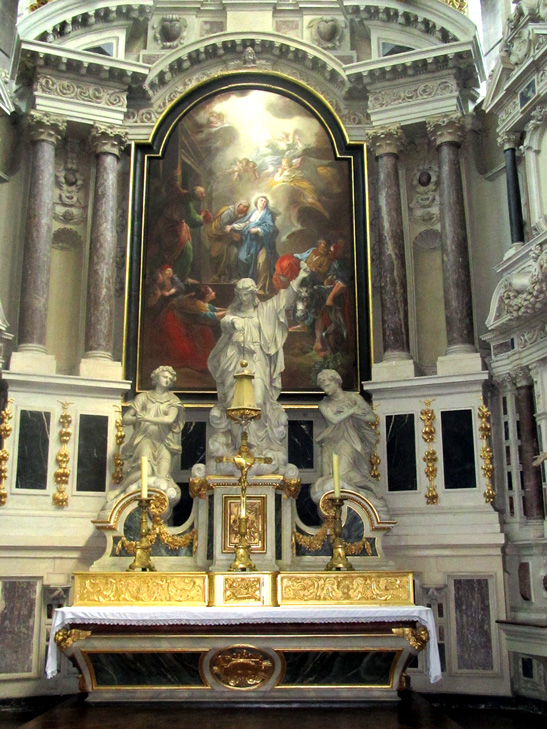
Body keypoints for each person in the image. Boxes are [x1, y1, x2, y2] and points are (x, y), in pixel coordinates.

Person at [207, 263, 310, 473]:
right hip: (235, 360)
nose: (245, 296)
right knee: (232, 402)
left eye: (248, 293)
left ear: (254, 293)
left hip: (258, 361)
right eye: (241, 293)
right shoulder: (232, 314)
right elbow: (225, 323)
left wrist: (300, 277)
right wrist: (232, 324)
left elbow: (284, 299)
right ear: (238, 294)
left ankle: (258, 446)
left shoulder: (265, 310)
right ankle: (237, 448)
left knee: (259, 399)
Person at [108, 366, 185, 500]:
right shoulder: (143, 398)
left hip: (164, 442)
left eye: (170, 379)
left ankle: (157, 514)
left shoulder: (174, 401)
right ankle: (118, 490)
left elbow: (169, 419)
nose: (167, 380)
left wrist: (146, 418)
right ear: (156, 378)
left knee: (162, 477)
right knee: (145, 471)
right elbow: (125, 419)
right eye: (164, 377)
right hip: (145, 439)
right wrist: (137, 418)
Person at [313, 369, 381, 501]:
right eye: (323, 387)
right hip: (330, 444)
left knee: (342, 474)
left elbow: (372, 418)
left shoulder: (354, 398)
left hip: (349, 441)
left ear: (337, 382)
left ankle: (369, 484)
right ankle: (334, 513)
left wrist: (354, 412)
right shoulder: (323, 404)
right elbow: (334, 419)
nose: (325, 390)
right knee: (327, 481)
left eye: (327, 386)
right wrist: (352, 411)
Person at [226, 195, 279, 291]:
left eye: (264, 202)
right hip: (248, 241)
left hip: (258, 242)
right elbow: (245, 223)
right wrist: (232, 227)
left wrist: (258, 229)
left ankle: (252, 283)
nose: (263, 203)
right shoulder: (253, 212)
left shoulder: (267, 214)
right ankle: (244, 281)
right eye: (261, 201)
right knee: (241, 258)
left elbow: (270, 227)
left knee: (254, 260)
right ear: (257, 202)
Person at [207, 199, 250, 281]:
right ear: (238, 205)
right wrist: (232, 235)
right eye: (243, 206)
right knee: (217, 254)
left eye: (246, 208)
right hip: (218, 235)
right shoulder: (229, 212)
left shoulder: (243, 215)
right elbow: (223, 227)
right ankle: (217, 275)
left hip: (228, 237)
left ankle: (231, 276)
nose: (244, 209)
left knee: (233, 253)